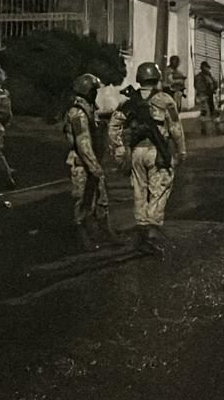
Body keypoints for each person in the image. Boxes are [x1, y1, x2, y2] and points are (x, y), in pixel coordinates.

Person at [108, 62, 186, 257]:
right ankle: (151, 232)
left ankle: (141, 232)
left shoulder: (129, 102)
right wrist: (181, 151)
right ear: (156, 78)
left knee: (139, 191)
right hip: (156, 152)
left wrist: (118, 149)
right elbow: (175, 128)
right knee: (160, 189)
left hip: (136, 153)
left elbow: (113, 126)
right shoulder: (165, 100)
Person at [63, 73, 118, 250]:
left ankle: (105, 232)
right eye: (94, 90)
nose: (96, 93)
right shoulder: (77, 112)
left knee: (101, 198)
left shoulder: (88, 108)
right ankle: (82, 238)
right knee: (82, 200)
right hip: (81, 163)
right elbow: (83, 143)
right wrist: (94, 167)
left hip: (92, 162)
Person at [194, 60, 219, 134]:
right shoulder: (199, 77)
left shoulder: (209, 75)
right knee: (204, 113)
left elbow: (215, 83)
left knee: (214, 112)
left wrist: (214, 88)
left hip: (210, 95)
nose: (207, 69)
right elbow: (198, 87)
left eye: (207, 68)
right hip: (203, 96)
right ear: (202, 68)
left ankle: (216, 128)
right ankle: (203, 129)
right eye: (206, 68)